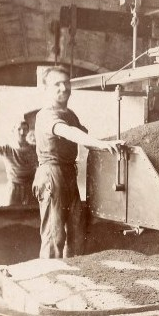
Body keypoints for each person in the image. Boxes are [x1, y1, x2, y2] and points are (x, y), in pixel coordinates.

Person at [33, 66, 122, 259]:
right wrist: (101, 144)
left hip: (68, 173)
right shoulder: (46, 115)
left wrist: (109, 145)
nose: (63, 88)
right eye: (57, 84)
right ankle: (50, 279)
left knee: (76, 229)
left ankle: (73, 272)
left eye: (67, 83)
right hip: (51, 174)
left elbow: (84, 136)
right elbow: (70, 133)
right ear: (46, 88)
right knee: (54, 234)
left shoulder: (70, 114)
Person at [0, 120, 38, 206]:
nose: (22, 132)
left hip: (30, 187)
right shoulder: (6, 149)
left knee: (32, 214)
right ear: (13, 131)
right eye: (19, 129)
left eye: (25, 129)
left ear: (28, 131)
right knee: (10, 213)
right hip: (14, 187)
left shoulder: (34, 149)